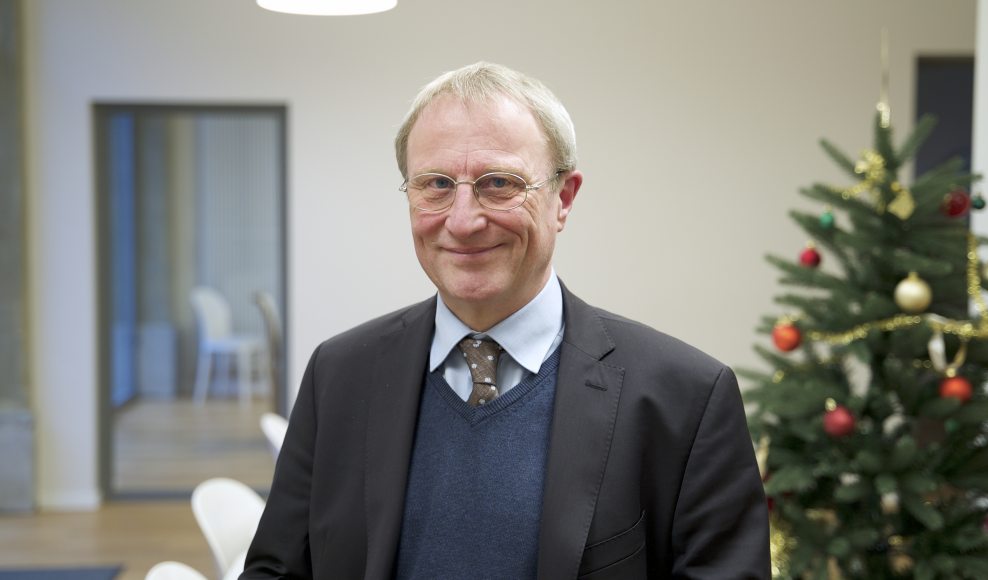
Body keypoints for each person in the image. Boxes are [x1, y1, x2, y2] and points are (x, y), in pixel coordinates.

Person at [241, 62, 770, 580]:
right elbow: (278, 568)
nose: (464, 220)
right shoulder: (340, 374)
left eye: (499, 183)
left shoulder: (686, 398)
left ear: (563, 199)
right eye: (436, 184)